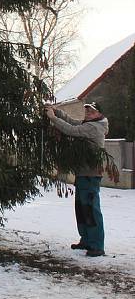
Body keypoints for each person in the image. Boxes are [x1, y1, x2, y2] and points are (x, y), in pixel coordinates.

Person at [46, 100, 109, 257]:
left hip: (91, 174)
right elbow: (73, 122)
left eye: (91, 111)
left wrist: (53, 118)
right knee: (81, 209)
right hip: (83, 174)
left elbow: (71, 130)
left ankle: (96, 245)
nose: (88, 113)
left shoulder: (94, 127)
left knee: (91, 209)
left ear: (99, 114)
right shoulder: (88, 124)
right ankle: (86, 240)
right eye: (87, 111)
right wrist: (58, 112)